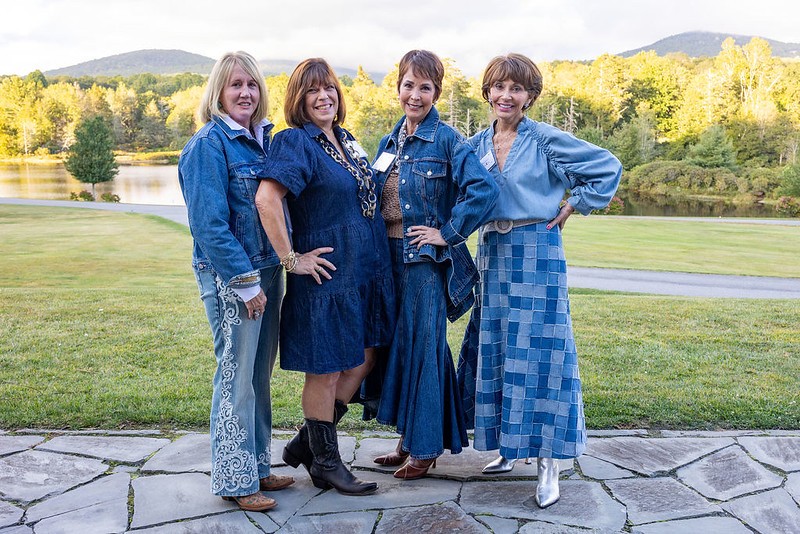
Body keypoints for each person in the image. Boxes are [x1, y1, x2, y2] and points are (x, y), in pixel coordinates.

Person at [457, 53, 622, 508]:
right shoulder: (475, 146)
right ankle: (510, 450)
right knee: (502, 350)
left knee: (543, 354)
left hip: (537, 250)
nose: (506, 96)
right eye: (498, 87)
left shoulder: (545, 140)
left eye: (516, 88)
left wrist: (575, 204)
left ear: (530, 95)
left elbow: (607, 167)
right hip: (493, 252)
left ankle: (549, 461)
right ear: (487, 92)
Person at [255, 58, 395, 496]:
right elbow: (266, 198)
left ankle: (306, 442)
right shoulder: (295, 141)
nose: (324, 96)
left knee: (363, 360)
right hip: (327, 280)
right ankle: (326, 464)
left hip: (363, 275)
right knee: (328, 372)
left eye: (330, 88)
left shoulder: (347, 140)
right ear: (299, 99)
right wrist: (291, 258)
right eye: (313, 90)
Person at [371, 50, 499, 480]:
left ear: (436, 92)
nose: (415, 94)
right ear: (398, 88)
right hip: (388, 261)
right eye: (409, 85)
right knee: (401, 347)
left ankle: (425, 449)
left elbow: (483, 190)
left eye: (425, 87)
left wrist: (446, 232)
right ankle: (409, 440)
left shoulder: (446, 139)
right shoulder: (390, 142)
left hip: (424, 263)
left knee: (424, 347)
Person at [177, 51, 294, 512]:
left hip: (269, 270)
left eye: (251, 84)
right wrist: (245, 282)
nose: (245, 92)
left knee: (257, 377)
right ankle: (234, 478)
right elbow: (208, 224)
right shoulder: (209, 144)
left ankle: (257, 466)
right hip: (234, 278)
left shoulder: (262, 141)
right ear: (218, 93)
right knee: (234, 377)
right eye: (235, 85)